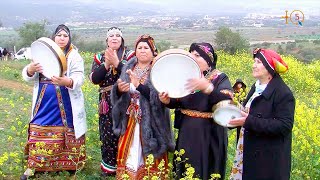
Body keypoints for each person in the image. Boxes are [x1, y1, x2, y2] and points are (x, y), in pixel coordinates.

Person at [21, 24, 87, 179]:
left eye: (65, 36)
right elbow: (27, 76)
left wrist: (68, 81)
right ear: (53, 37)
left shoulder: (74, 56)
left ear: (69, 38)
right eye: (59, 35)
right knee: (40, 126)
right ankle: (34, 165)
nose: (62, 38)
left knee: (68, 128)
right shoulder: (42, 53)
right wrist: (30, 70)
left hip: (67, 101)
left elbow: (79, 77)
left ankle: (71, 164)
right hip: (44, 101)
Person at [159, 42, 233, 179]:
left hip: (209, 134)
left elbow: (227, 102)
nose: (192, 58)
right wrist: (168, 101)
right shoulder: (186, 77)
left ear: (208, 59)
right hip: (187, 132)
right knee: (186, 166)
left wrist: (208, 88)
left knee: (206, 169)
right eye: (191, 54)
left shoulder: (220, 78)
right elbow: (179, 101)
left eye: (197, 55)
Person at [110, 34, 175, 179]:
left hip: (152, 121)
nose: (142, 50)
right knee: (130, 151)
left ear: (153, 51)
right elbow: (118, 96)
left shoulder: (158, 70)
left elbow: (159, 99)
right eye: (139, 47)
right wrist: (120, 89)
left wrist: (139, 85)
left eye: (146, 47)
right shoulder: (129, 66)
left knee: (151, 152)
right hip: (130, 119)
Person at [229, 48, 295, 180]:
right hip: (248, 149)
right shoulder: (256, 87)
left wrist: (248, 121)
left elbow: (284, 125)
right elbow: (250, 112)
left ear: (270, 67)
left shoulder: (283, 93)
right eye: (254, 61)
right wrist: (234, 110)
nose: (254, 65)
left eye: (259, 62)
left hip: (268, 158)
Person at [89, 27, 135, 176]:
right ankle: (109, 167)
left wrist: (117, 62)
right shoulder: (99, 57)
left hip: (125, 98)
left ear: (122, 39)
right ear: (107, 40)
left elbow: (132, 75)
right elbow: (95, 79)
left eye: (118, 36)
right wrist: (107, 64)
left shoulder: (130, 55)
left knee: (125, 131)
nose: (114, 38)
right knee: (107, 133)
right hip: (106, 101)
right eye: (111, 36)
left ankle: (126, 166)